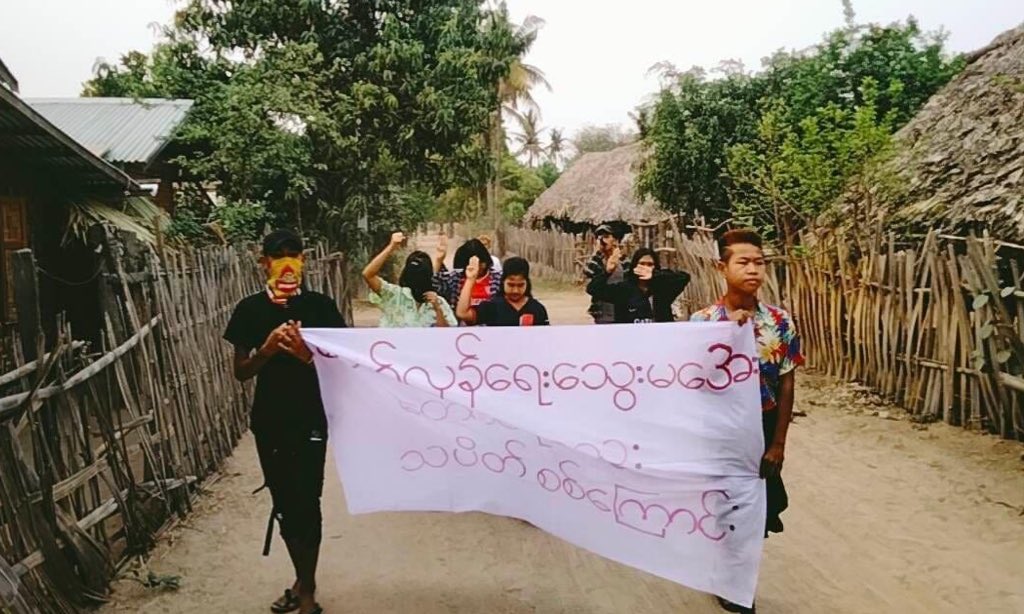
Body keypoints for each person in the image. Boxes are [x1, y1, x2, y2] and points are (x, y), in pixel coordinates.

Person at [223, 229, 343, 614]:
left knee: (308, 499)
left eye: (295, 255)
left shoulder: (322, 307)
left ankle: (306, 590)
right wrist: (269, 349)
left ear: (304, 261)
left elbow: (342, 365)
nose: (288, 263)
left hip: (311, 418)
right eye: (279, 256)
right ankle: (301, 579)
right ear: (264, 264)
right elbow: (241, 371)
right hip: (270, 421)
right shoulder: (249, 310)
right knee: (285, 503)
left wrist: (308, 356)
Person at [690, 229, 804, 614]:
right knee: (727, 508)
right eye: (743, 262)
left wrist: (779, 444)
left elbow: (787, 383)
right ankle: (733, 583)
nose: (753, 269)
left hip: (764, 427)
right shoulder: (703, 323)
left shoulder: (779, 322)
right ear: (722, 267)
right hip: (722, 433)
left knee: (761, 509)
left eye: (758, 262)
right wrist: (728, 336)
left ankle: (739, 576)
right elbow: (693, 381)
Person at [362, 231, 456, 327]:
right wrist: (392, 246)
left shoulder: (438, 302)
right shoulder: (394, 295)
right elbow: (368, 274)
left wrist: (437, 309)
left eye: (422, 274)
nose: (418, 279)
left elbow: (447, 336)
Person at [585, 247, 690, 324]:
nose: (645, 268)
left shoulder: (662, 289)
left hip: (659, 339)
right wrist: (607, 272)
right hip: (631, 341)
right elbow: (593, 289)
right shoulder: (624, 290)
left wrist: (654, 275)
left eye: (650, 265)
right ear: (634, 266)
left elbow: (684, 277)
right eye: (642, 264)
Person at [457, 256, 550, 326]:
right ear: (503, 282)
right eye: (511, 285)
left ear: (527, 283)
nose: (515, 290)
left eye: (521, 285)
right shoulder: (492, 307)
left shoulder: (537, 309)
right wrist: (470, 279)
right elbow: (463, 314)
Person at [433, 238, 502, 321]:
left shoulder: (498, 278)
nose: (476, 267)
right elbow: (436, 287)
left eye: (479, 263)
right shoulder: (456, 278)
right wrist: (438, 261)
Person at [583, 223, 625, 324]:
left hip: (622, 308)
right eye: (599, 237)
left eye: (606, 237)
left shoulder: (624, 261)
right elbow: (590, 284)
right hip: (602, 311)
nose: (602, 240)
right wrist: (598, 253)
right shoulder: (596, 261)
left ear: (615, 240)